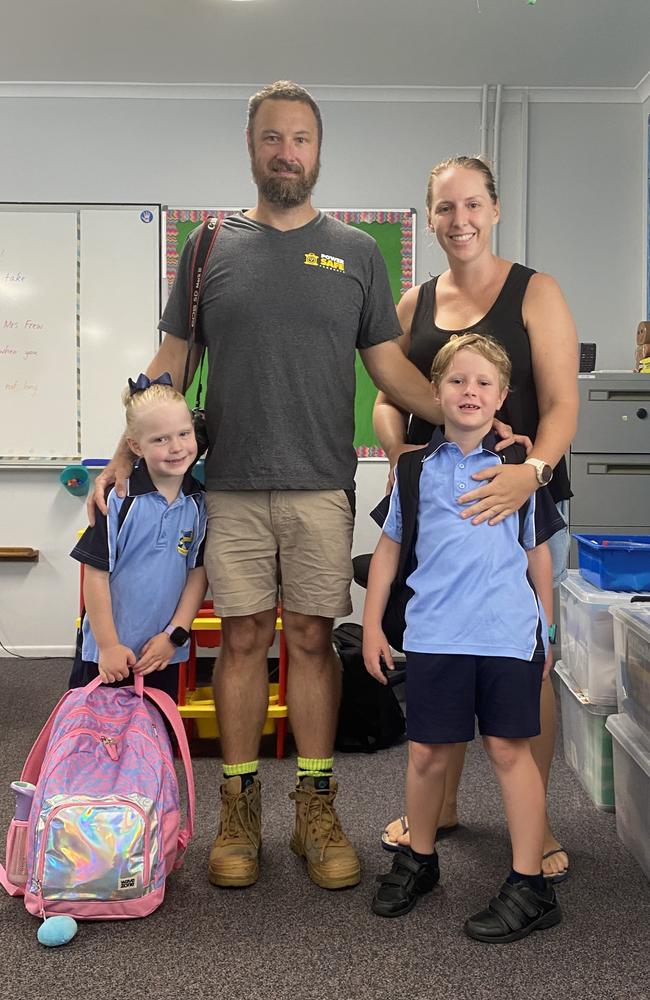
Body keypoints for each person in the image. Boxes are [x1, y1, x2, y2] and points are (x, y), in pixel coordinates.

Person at [88, 81, 442, 892]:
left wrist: (468, 423)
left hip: (322, 484)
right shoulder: (210, 247)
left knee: (314, 642)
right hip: (235, 487)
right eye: (274, 138)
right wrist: (121, 453)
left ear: (319, 152)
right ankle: (239, 809)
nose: (288, 153)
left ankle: (315, 807)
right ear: (252, 148)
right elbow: (170, 362)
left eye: (303, 140)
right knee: (243, 641)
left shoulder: (357, 252)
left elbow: (391, 370)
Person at [375, 155, 579, 882]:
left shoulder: (535, 292)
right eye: (443, 208)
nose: (458, 220)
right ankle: (444, 807)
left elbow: (560, 404)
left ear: (493, 209)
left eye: (471, 205)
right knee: (445, 648)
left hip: (519, 495)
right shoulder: (412, 303)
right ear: (429, 218)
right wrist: (404, 456)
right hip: (442, 502)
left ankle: (541, 818)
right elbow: (385, 394)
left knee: (522, 654)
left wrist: (532, 474)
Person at [364, 333, 564, 942]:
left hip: (506, 633)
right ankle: (418, 860)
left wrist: (546, 630)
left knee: (510, 750)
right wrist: (372, 624)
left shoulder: (521, 470)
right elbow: (390, 549)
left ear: (502, 396)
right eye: (456, 381)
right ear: (436, 392)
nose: (469, 391)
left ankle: (530, 884)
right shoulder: (414, 468)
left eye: (483, 383)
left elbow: (538, 556)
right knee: (427, 751)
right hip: (435, 635)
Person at [70, 373, 207, 700]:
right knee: (94, 740)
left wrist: (174, 636)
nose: (176, 447)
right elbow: (96, 576)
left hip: (159, 653)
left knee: (154, 737)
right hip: (106, 654)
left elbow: (197, 574)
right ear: (135, 446)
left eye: (184, 434)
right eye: (160, 440)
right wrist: (109, 646)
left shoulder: (199, 503)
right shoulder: (116, 499)